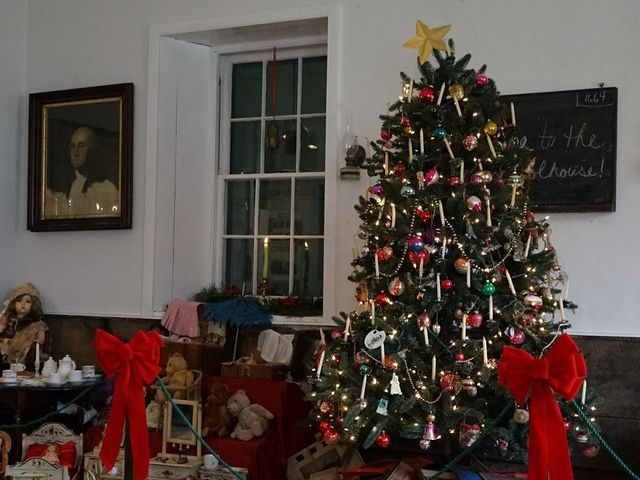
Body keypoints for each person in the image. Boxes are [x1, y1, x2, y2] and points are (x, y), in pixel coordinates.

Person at [45, 126, 119, 217]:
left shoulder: (107, 189)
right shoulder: (65, 189)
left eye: (82, 146)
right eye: (73, 147)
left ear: (92, 149)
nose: (76, 153)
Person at [0, 282, 49, 371]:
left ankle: (29, 365)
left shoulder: (37, 322)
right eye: (19, 301)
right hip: (9, 344)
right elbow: (2, 326)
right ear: (13, 303)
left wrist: (38, 341)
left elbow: (41, 336)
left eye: (28, 302)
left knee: (29, 349)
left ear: (34, 305)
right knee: (3, 347)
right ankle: (4, 362)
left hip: (26, 345)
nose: (23, 304)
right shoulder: (8, 318)